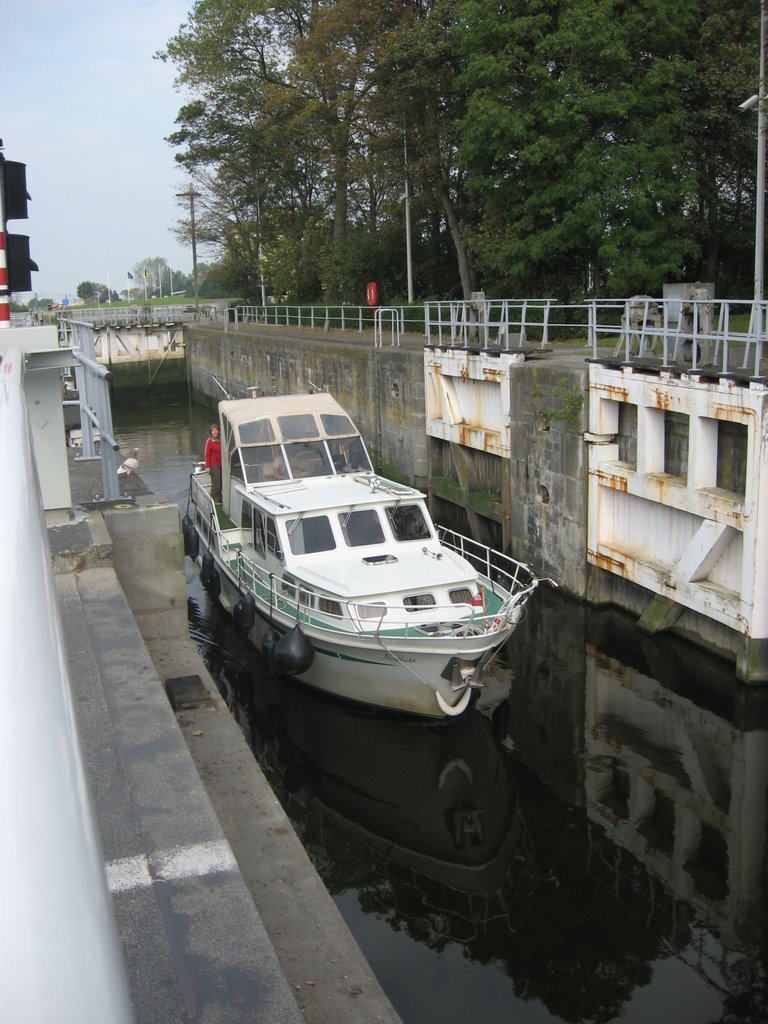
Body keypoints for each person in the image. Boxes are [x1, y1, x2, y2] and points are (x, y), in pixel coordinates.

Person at [205, 424, 222, 503]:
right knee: (216, 481)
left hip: (222, 464)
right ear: (211, 432)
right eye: (213, 430)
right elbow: (207, 455)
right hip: (214, 465)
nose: (215, 432)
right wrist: (207, 466)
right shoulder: (209, 441)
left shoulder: (221, 440)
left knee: (221, 481)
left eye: (216, 430)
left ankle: (220, 497)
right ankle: (215, 499)